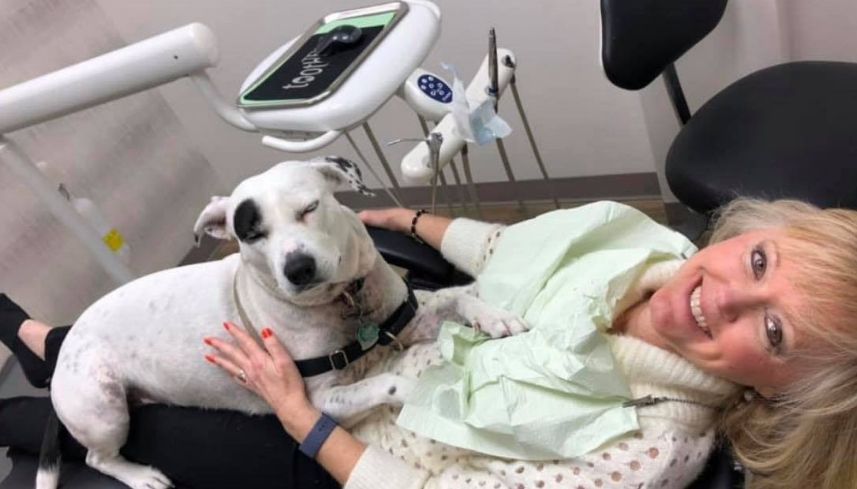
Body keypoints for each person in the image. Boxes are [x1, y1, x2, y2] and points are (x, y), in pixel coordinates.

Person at [1, 198, 856, 489]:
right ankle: (37, 337)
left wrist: (303, 419)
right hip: (399, 340)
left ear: (790, 394)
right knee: (116, 350)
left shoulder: (652, 446)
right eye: (756, 260)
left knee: (133, 419)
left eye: (771, 330)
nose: (720, 295)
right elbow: (503, 248)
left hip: (351, 442)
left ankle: (16, 398)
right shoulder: (650, 250)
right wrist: (398, 220)